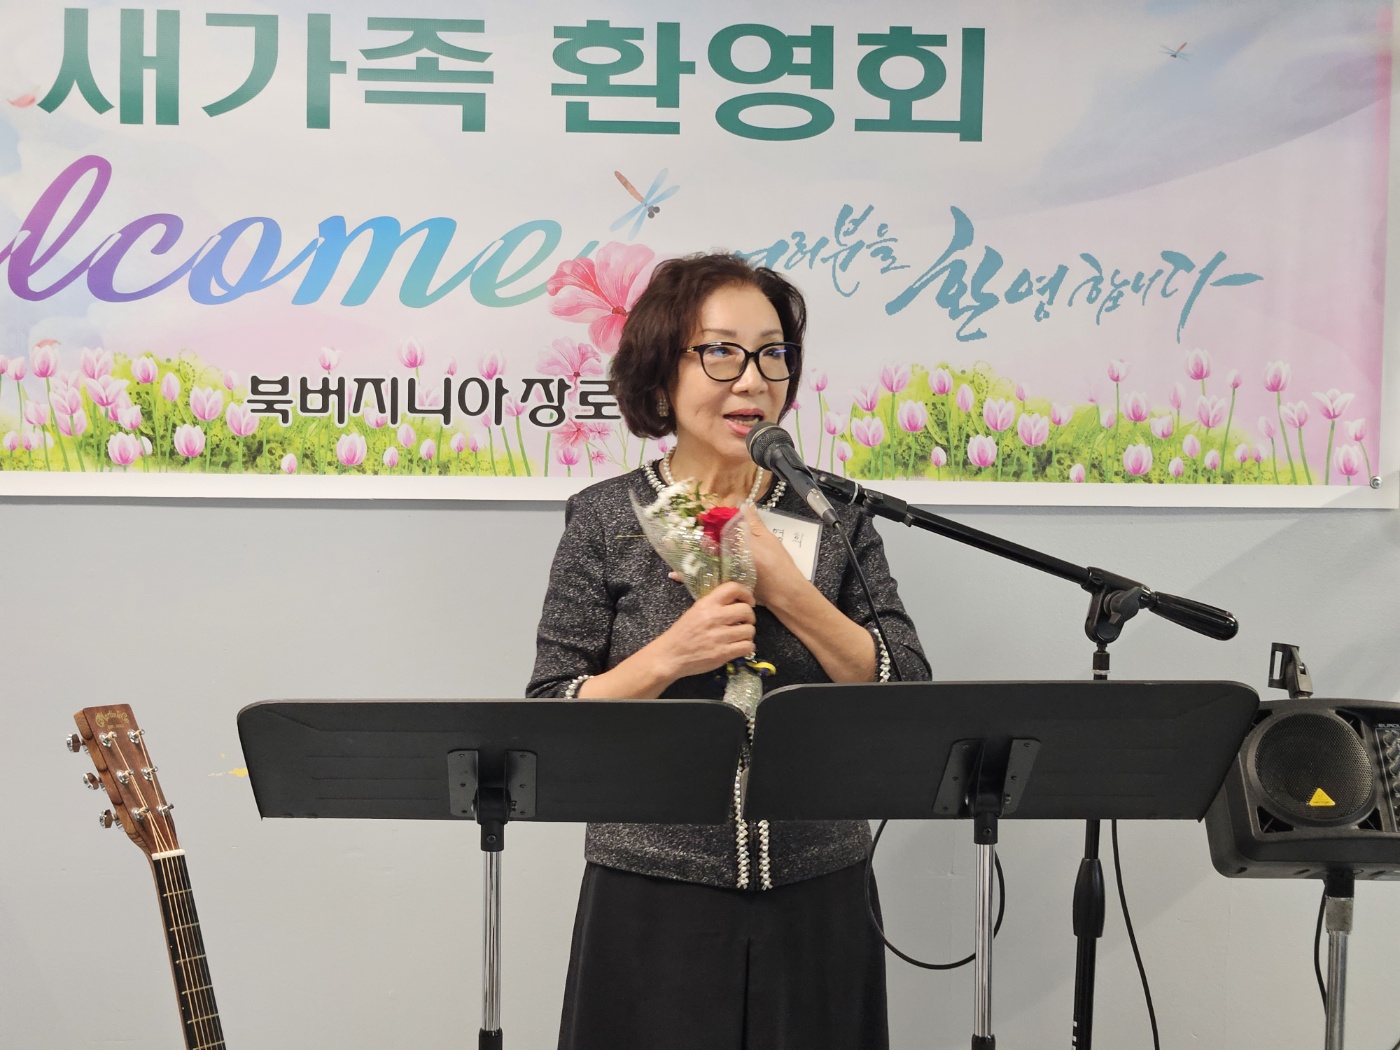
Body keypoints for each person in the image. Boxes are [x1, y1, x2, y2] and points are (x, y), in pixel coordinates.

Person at [526, 252, 929, 1050]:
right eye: (720, 352)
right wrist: (668, 657)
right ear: (660, 375)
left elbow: (905, 688)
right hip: (650, 893)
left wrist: (791, 595)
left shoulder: (835, 513)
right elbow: (552, 711)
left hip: (821, 890)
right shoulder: (605, 519)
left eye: (773, 354)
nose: (752, 380)